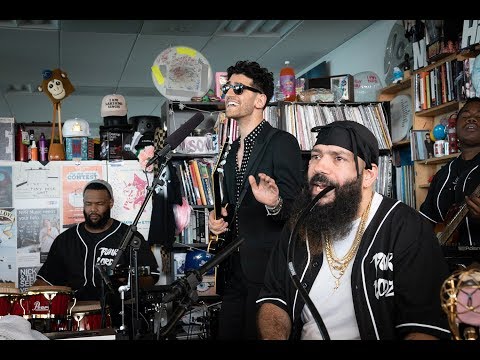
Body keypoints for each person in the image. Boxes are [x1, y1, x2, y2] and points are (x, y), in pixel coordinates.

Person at [256, 120, 451, 340]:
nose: (320, 167)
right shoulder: (300, 224)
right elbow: (274, 298)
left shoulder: (406, 228)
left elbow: (424, 326)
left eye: (338, 158)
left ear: (368, 175)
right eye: (316, 156)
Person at [207, 60, 303, 340]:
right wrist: (218, 222)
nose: (229, 94)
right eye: (227, 88)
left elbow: (295, 207)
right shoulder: (229, 149)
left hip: (267, 270)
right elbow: (232, 206)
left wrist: (273, 203)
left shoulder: (281, 142)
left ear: (260, 99)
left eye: (238, 88)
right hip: (232, 268)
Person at [33, 179, 160, 333]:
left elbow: (151, 277)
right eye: (88, 204)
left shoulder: (129, 237)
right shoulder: (66, 240)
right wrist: (27, 298)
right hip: (73, 319)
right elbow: (46, 281)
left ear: (110, 203)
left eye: (99, 204)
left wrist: (128, 280)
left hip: (119, 316)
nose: (93, 209)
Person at [420, 97, 480, 255]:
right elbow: (425, 224)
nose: (472, 119)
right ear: (456, 126)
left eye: (479, 116)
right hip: (443, 267)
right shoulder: (443, 174)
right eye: (465, 116)